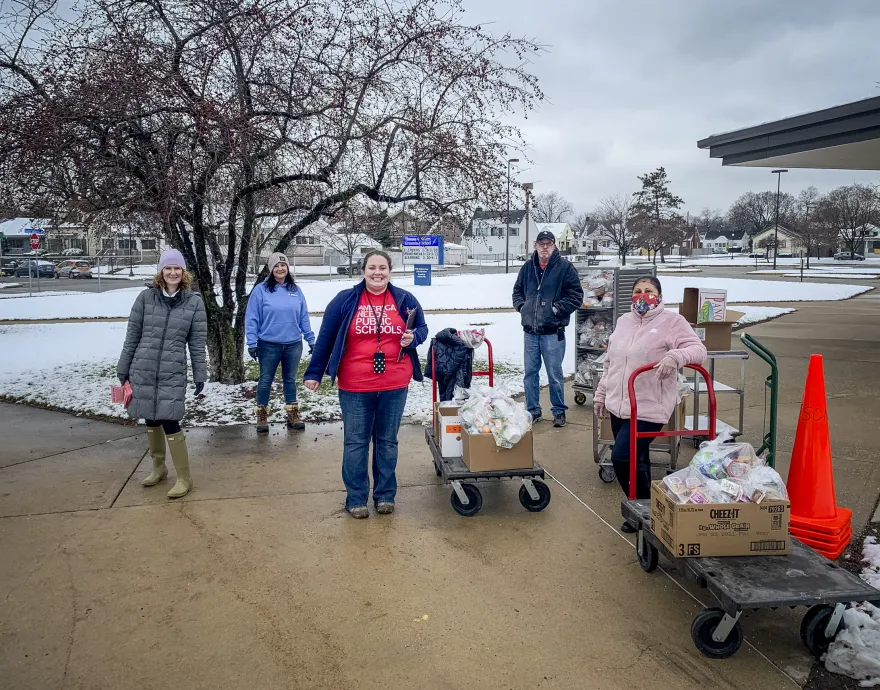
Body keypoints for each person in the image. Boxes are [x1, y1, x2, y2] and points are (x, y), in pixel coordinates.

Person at [303, 250, 428, 519]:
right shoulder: (345, 300)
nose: (377, 273)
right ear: (363, 270)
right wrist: (314, 372)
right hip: (355, 384)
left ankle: (385, 495)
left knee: (387, 441)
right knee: (356, 442)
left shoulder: (405, 299)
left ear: (390, 271)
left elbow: (422, 329)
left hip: (395, 382)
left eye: (382, 267)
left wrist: (413, 337)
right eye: (372, 267)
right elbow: (326, 338)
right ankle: (356, 498)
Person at [593, 276, 706, 532]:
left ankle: (644, 512)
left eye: (648, 291)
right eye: (637, 291)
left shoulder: (672, 322)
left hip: (649, 406)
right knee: (637, 460)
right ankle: (648, 511)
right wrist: (601, 394)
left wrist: (676, 356)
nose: (642, 296)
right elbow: (611, 363)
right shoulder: (624, 321)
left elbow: (698, 350)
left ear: (660, 295)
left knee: (622, 458)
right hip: (619, 405)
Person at [117, 248, 207, 499]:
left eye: (177, 268)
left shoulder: (194, 302)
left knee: (170, 420)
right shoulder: (145, 298)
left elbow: (197, 343)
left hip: (171, 371)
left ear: (183, 272)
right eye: (168, 268)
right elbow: (132, 336)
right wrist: (123, 369)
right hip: (142, 369)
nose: (172, 272)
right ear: (161, 271)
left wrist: (200, 373)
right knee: (151, 419)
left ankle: (184, 477)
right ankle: (159, 468)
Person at [512, 230, 584, 428]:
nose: (545, 247)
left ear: (554, 246)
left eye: (549, 243)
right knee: (530, 373)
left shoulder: (565, 268)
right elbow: (517, 291)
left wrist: (557, 308)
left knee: (554, 373)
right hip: (530, 332)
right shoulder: (527, 268)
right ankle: (533, 411)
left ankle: (559, 410)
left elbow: (576, 295)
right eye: (541, 243)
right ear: (535, 245)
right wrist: (522, 307)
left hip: (553, 332)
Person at [245, 252, 316, 433]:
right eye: (276, 266)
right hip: (268, 344)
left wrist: (310, 340)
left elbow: (303, 317)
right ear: (271, 269)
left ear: (287, 268)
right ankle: (261, 415)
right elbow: (252, 317)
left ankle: (292, 413)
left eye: (283, 265)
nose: (280, 268)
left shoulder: (295, 290)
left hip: (293, 344)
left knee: (290, 380)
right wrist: (252, 342)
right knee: (265, 379)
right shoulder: (261, 290)